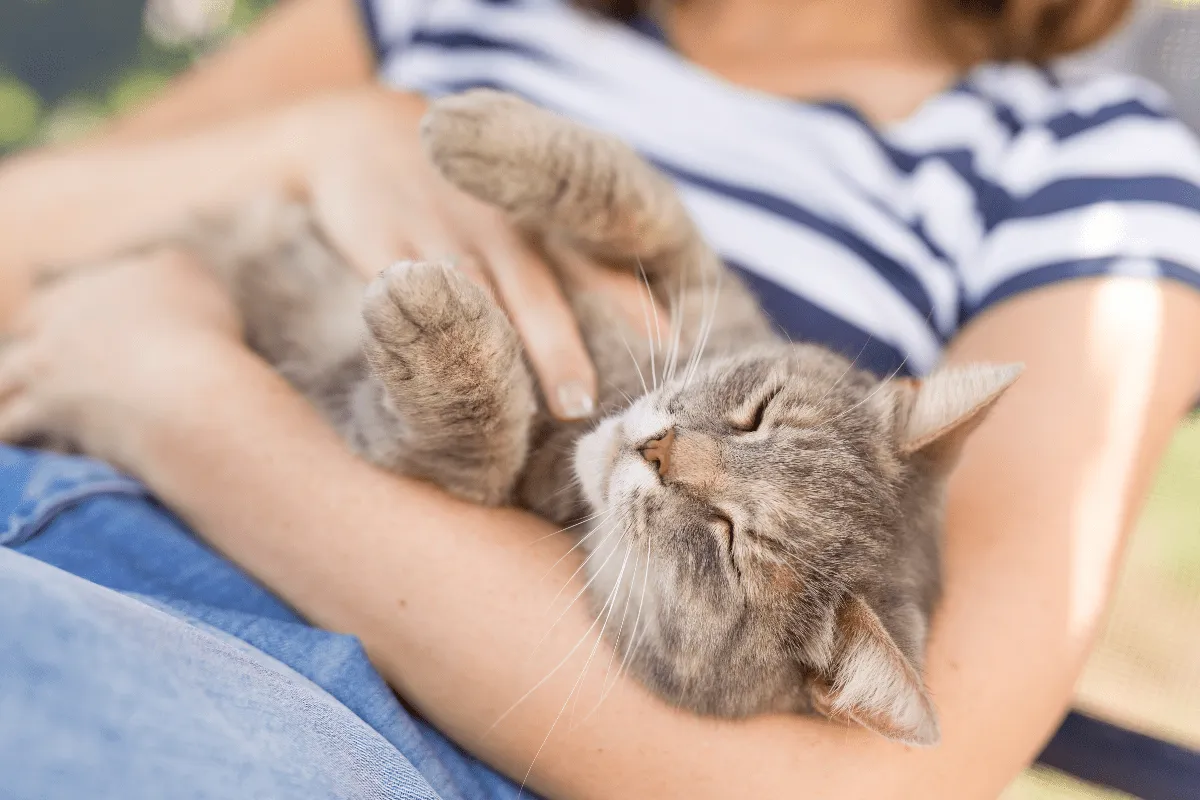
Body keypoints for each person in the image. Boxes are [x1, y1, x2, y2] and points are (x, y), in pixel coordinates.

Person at [2, 0, 1200, 797]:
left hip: (331, 707)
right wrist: (320, 137)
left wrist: (187, 407)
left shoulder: (1084, 168)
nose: (685, 454)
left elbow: (881, 782)